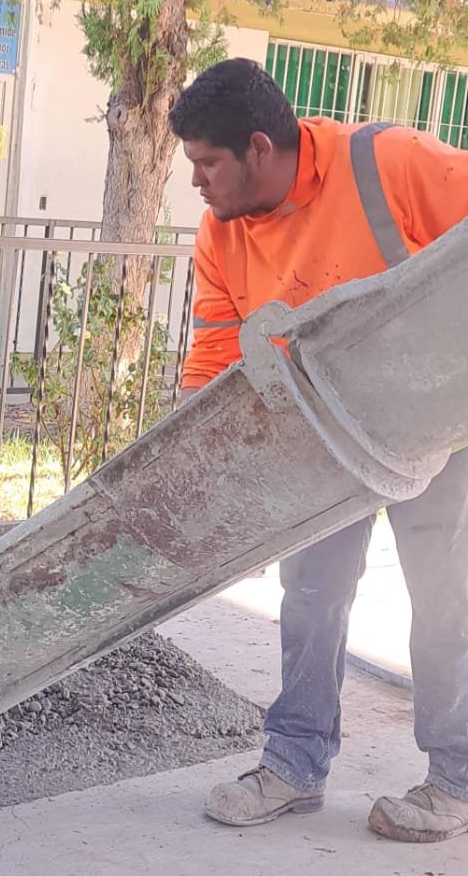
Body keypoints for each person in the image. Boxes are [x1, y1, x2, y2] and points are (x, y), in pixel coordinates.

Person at [169, 58, 468, 845]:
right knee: (309, 594)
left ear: (257, 148)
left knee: (445, 600)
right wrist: (195, 458)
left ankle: (454, 780)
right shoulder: (221, 231)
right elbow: (212, 353)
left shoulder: (388, 163)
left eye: (205, 163)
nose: (195, 180)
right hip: (323, 434)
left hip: (436, 423)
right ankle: (294, 763)